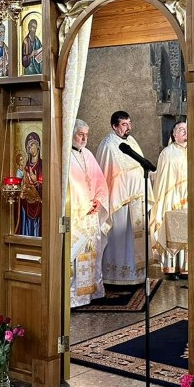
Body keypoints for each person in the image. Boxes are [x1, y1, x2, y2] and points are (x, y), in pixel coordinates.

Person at [96, 111, 153, 285]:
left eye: (129, 123)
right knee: (120, 240)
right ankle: (116, 277)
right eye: (124, 124)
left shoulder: (131, 142)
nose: (128, 128)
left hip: (136, 201)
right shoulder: (108, 145)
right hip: (119, 202)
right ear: (114, 126)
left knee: (134, 238)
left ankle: (137, 275)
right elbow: (109, 174)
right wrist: (125, 191)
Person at [68, 120, 110, 306]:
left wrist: (98, 200)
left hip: (92, 215)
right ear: (72, 134)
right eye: (80, 134)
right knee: (76, 255)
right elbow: (68, 189)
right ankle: (75, 298)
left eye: (86, 134)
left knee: (93, 253)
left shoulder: (88, 154)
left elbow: (100, 181)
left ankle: (92, 292)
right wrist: (85, 204)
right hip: (77, 216)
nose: (84, 138)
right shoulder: (65, 157)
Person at [151, 121, 188, 276]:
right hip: (171, 198)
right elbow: (163, 180)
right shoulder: (167, 153)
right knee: (171, 230)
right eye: (181, 129)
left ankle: (186, 267)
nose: (185, 132)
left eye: (187, 129)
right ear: (174, 134)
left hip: (188, 198)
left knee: (188, 231)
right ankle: (171, 267)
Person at [17, 131, 43, 237]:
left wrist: (36, 181)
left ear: (38, 146)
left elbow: (47, 189)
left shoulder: (43, 166)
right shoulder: (25, 167)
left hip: (38, 204)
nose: (31, 148)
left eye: (32, 145)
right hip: (25, 204)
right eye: (28, 146)